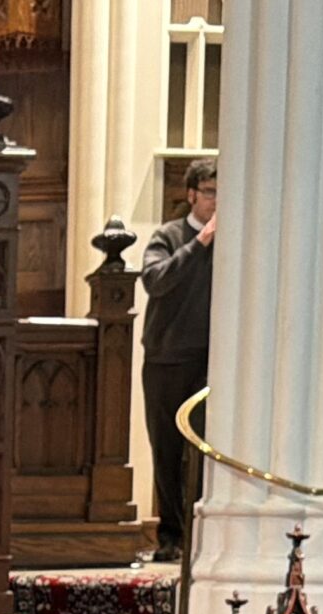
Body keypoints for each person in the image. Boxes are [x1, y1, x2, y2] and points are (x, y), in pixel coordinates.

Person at [140, 158, 218, 565]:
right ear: (191, 195)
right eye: (209, 192)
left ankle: (203, 538)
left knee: (204, 451)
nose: (216, 201)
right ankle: (170, 537)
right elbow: (155, 280)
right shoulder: (169, 236)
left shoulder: (233, 242)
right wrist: (200, 242)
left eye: (222, 194)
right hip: (167, 358)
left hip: (212, 361)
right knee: (167, 451)